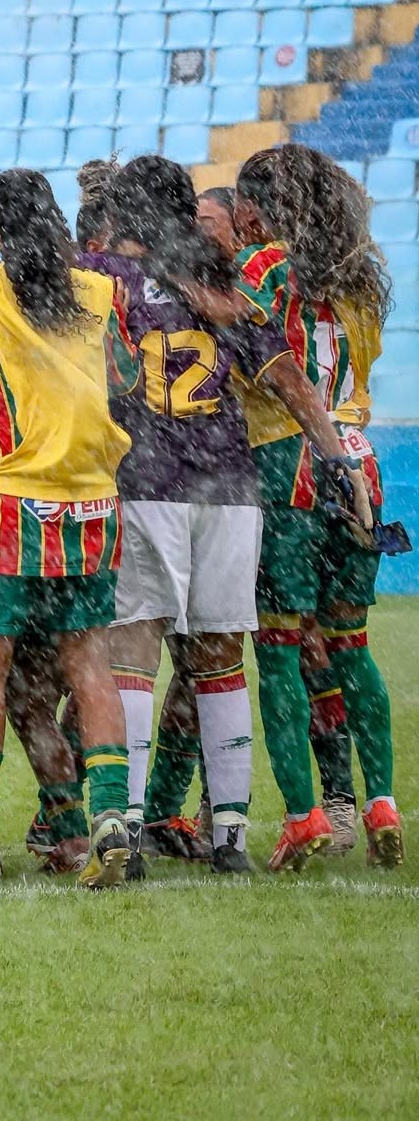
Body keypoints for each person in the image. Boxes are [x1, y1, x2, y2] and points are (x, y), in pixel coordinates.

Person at [100, 154, 372, 876]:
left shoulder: (101, 281)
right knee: (220, 662)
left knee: (133, 658)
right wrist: (338, 462)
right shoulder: (223, 286)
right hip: (228, 486)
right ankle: (228, 840)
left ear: (122, 212)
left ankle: (125, 832)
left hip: (146, 479)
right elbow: (287, 379)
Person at [0, 167, 142, 889]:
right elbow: (127, 380)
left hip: (9, 506)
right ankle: (112, 821)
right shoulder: (101, 292)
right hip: (90, 504)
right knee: (89, 665)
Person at [234, 143, 401, 868]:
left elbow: (254, 360)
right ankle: (381, 805)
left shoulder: (264, 270)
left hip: (289, 462)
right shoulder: (360, 279)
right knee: (352, 646)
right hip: (359, 464)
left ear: (257, 206)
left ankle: (303, 815)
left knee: (278, 648)